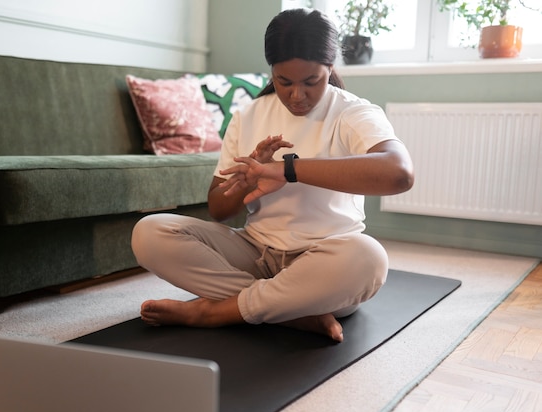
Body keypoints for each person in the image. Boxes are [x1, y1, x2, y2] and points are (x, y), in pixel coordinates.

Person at [131, 8, 414, 342]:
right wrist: (245, 183)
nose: (297, 95)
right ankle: (289, 314)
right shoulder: (248, 115)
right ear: (272, 72)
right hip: (255, 252)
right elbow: (219, 210)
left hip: (323, 262)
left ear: (330, 68)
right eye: (284, 82)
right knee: (149, 233)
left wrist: (287, 170)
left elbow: (399, 173)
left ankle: (213, 312)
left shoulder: (353, 112)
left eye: (312, 82)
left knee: (368, 258)